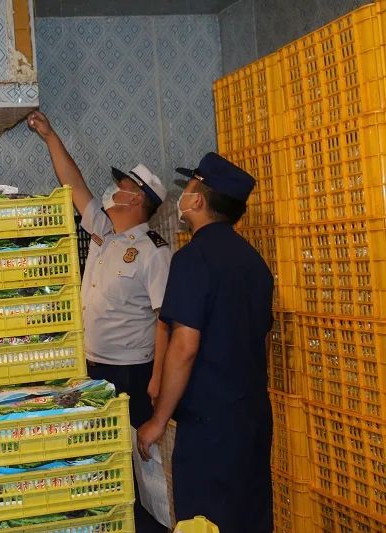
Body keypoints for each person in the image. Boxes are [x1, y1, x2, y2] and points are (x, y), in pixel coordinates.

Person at [136, 152, 274, 533]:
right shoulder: (255, 263)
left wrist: (158, 421)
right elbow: (260, 339)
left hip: (208, 428)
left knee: (203, 522)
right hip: (251, 418)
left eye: (189, 187)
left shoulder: (192, 259)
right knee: (248, 519)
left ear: (197, 200)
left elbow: (185, 346)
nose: (183, 195)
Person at [28, 110, 172, 429]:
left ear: (135, 199)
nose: (111, 190)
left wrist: (158, 378)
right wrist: (49, 135)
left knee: (135, 449)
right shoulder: (103, 230)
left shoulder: (154, 252)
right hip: (92, 366)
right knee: (105, 446)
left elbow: (166, 321)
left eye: (120, 187)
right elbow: (73, 182)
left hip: (131, 371)